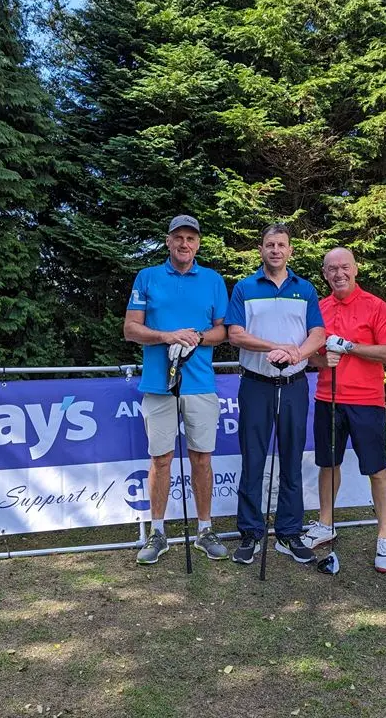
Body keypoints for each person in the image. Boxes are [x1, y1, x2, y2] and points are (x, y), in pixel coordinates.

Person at [123, 215, 230, 565]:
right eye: (179, 238)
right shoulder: (148, 277)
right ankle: (157, 532)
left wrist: (196, 337)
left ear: (198, 244)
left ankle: (204, 530)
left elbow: (222, 332)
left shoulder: (213, 280)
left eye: (191, 239)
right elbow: (131, 329)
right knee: (161, 459)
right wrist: (168, 336)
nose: (185, 244)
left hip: (200, 383)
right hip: (158, 384)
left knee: (202, 458)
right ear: (168, 241)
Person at [225, 224, 327, 565]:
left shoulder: (306, 289)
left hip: (295, 386)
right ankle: (251, 533)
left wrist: (297, 353)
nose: (276, 250)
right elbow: (235, 335)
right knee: (252, 459)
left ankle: (288, 532)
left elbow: (317, 333)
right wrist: (276, 346)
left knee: (292, 460)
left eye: (281, 245)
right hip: (256, 384)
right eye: (270, 245)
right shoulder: (244, 288)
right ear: (261, 249)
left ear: (290, 250)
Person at [304, 248, 386, 571]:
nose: (338, 274)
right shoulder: (319, 308)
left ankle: (384, 537)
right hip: (327, 399)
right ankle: (325, 523)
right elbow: (310, 356)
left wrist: (350, 348)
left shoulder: (375, 306)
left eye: (344, 267)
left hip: (366, 401)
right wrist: (323, 358)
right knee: (328, 465)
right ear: (324, 273)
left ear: (355, 269)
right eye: (331, 269)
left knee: (377, 468)